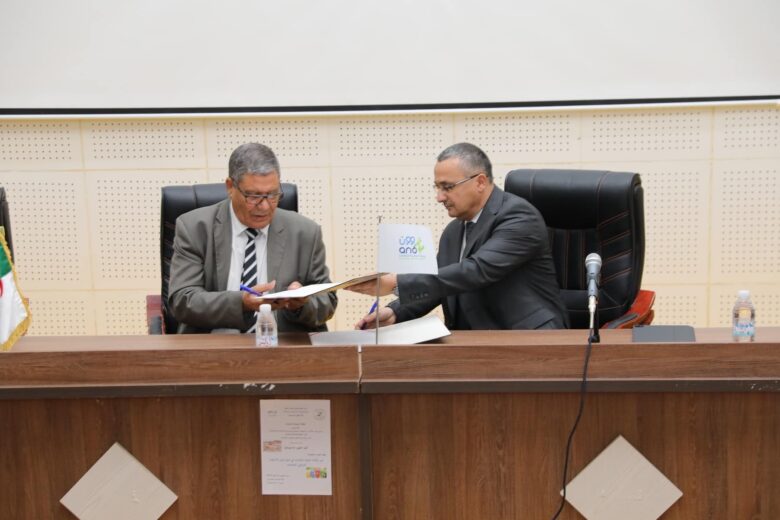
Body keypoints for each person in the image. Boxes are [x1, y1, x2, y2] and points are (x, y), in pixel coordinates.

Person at [350, 142, 568, 330]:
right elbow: (440, 283)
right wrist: (395, 312)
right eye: (437, 188)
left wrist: (396, 282)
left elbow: (476, 270)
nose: (439, 197)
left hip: (528, 338)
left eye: (447, 187)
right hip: (472, 343)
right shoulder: (453, 231)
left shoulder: (519, 216)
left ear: (480, 182)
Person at [168, 142, 336, 333]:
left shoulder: (305, 232)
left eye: (272, 195)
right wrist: (241, 303)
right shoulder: (195, 228)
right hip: (216, 344)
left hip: (282, 345)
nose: (265, 206)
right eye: (254, 196)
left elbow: (327, 302)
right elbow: (183, 300)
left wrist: (301, 304)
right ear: (230, 187)